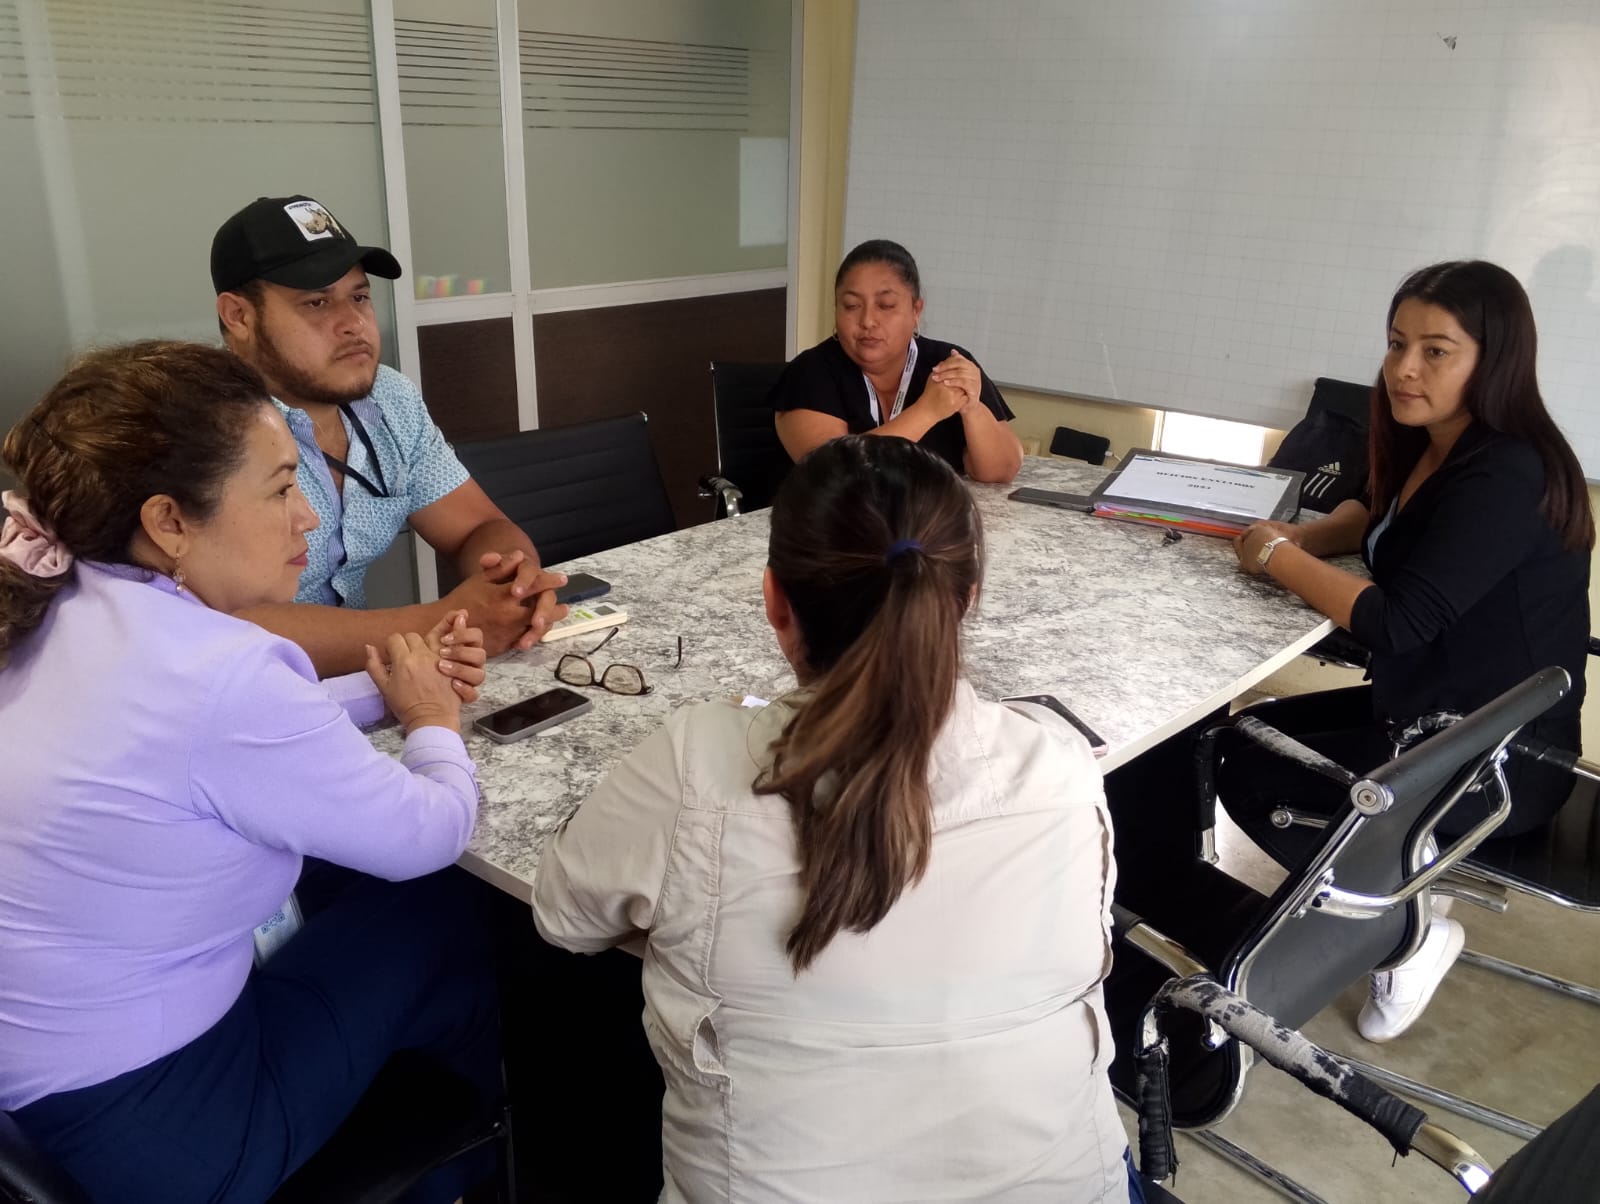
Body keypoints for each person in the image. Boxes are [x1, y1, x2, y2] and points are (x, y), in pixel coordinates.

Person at [532, 436, 1136, 1202]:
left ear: (774, 601)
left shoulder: (698, 766)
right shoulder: (1060, 765)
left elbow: (563, 917)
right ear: (967, 599)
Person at [0, 341, 502, 1203]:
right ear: (169, 521)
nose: (307, 517)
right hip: (165, 1137)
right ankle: (484, 1167)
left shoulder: (63, 599)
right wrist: (430, 721)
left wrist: (388, 688)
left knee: (375, 927)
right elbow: (431, 832)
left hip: (38, 1103)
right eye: (278, 489)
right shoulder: (218, 672)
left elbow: (231, 739)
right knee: (448, 911)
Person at [1223, 260, 1592, 1042]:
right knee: (1234, 743)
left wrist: (1276, 558)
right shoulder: (1431, 437)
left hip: (1496, 761)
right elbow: (1376, 512)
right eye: (1397, 344)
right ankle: (1405, 888)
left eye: (1435, 350)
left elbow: (1398, 623)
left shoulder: (1508, 470)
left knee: (1245, 770)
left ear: (1493, 361)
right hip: (1426, 713)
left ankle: (1409, 935)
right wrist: (1306, 537)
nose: (1404, 368)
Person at [212, 193, 567, 676]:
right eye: (317, 302)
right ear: (239, 317)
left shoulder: (389, 398)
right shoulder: (202, 425)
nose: (353, 323)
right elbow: (228, 627)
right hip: (248, 695)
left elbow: (477, 527)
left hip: (368, 681)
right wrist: (440, 621)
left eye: (359, 297)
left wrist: (514, 583)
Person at [769, 239, 1024, 482]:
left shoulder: (948, 363)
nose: (868, 321)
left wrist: (972, 408)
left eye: (886, 305)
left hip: (928, 511)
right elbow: (835, 477)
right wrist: (927, 411)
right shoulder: (809, 372)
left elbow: (1002, 471)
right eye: (851, 306)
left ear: (916, 310)